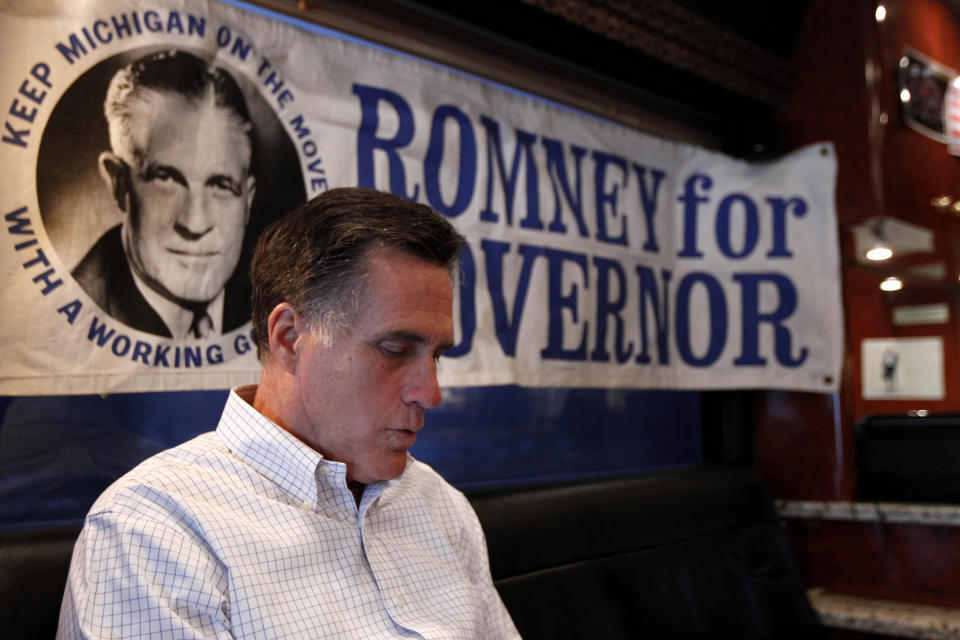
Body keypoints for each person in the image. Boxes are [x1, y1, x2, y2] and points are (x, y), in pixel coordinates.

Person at [58, 188, 521, 639]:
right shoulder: (157, 532)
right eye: (395, 349)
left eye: (436, 355)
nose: (431, 393)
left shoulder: (438, 504)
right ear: (288, 338)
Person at [72, 49, 256, 339]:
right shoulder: (70, 321)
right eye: (167, 178)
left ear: (247, 201)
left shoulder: (272, 308)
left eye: (221, 185)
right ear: (119, 184)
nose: (196, 224)